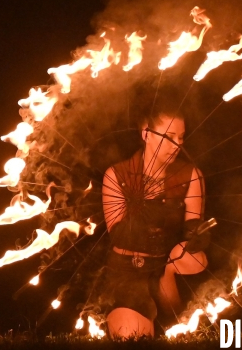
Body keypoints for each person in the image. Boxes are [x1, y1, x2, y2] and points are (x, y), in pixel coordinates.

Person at [101, 101, 209, 338]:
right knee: (132, 337)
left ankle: (173, 306)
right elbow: (118, 233)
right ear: (146, 133)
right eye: (169, 136)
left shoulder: (190, 175)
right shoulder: (118, 175)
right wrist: (152, 208)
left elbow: (193, 225)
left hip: (167, 267)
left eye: (181, 137)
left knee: (196, 258)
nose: (177, 144)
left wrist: (196, 233)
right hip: (128, 272)